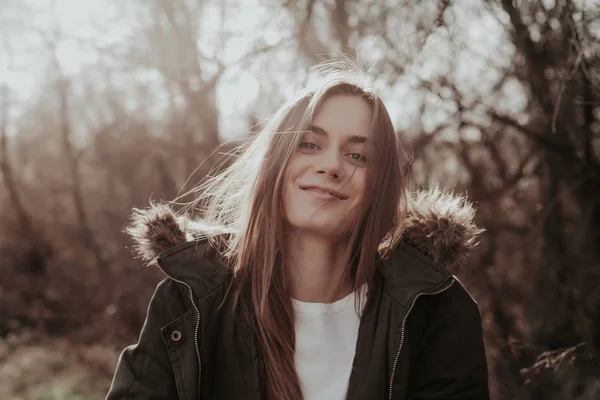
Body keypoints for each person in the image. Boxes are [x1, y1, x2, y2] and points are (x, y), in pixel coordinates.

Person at [106, 61, 489, 400]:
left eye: (357, 155)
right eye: (309, 144)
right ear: (277, 163)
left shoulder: (435, 309)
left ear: (381, 187)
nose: (331, 165)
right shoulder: (191, 300)